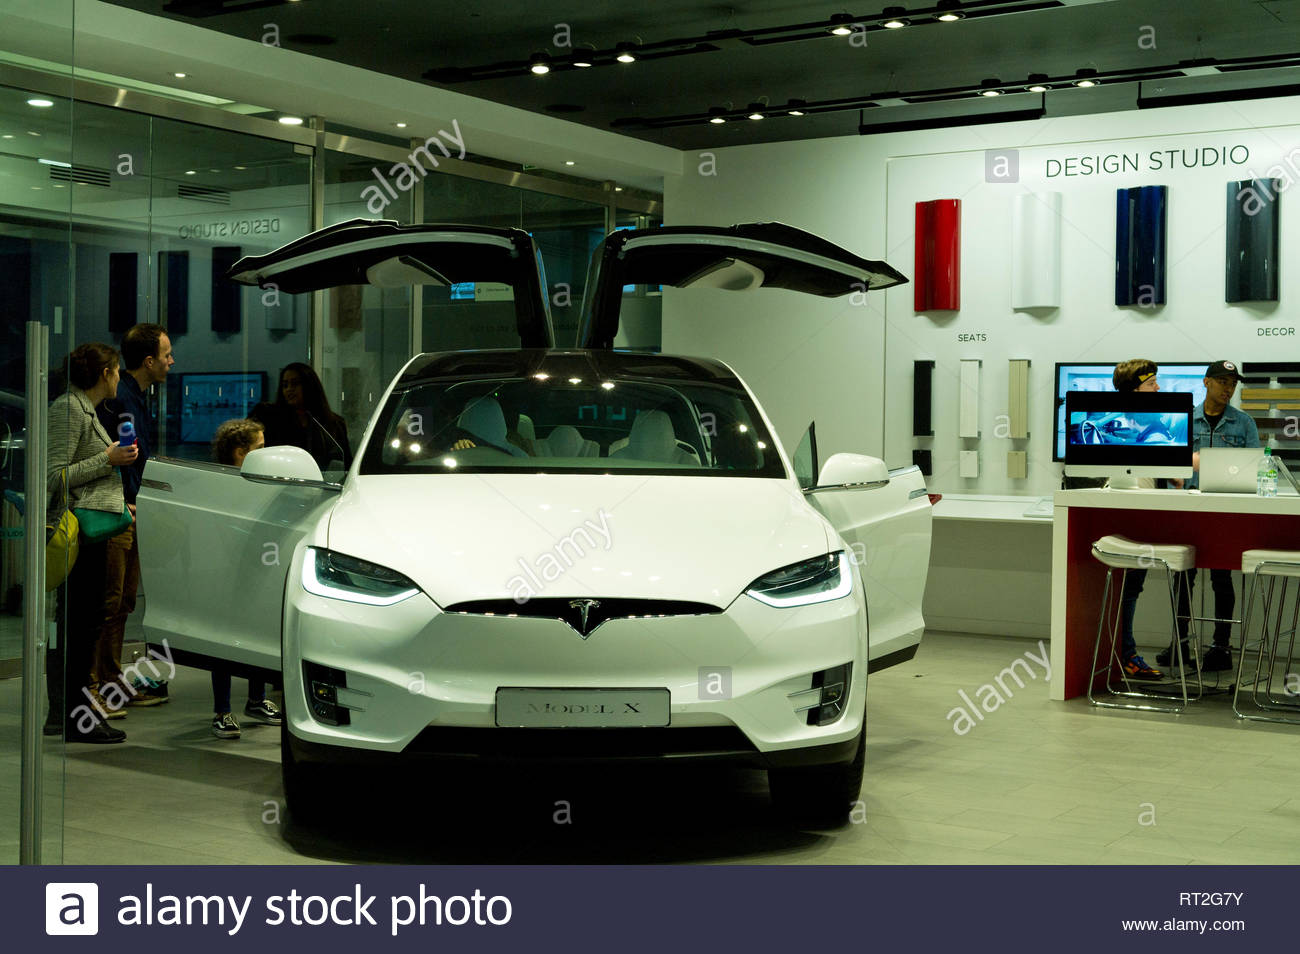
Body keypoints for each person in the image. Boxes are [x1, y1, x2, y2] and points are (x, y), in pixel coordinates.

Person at [47, 343, 138, 743]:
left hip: (91, 531)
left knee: (85, 625)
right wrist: (108, 459)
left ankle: (75, 714)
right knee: (78, 626)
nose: (119, 377)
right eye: (117, 370)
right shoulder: (69, 409)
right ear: (106, 373)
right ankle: (72, 716)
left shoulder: (85, 409)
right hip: (75, 534)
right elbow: (52, 477)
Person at [1158, 359, 1261, 672]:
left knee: (1222, 576)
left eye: (1232, 384)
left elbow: (1255, 470)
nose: (1228, 388)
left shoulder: (1244, 424)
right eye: (1222, 382)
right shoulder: (1184, 421)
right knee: (1183, 576)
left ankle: (1220, 646)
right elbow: (1166, 463)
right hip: (1187, 509)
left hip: (1226, 511)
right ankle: (1181, 643)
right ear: (1206, 382)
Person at [94, 323, 173, 713]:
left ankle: (110, 681)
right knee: (111, 601)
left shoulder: (135, 396)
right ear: (148, 361)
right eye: (166, 355)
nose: (171, 362)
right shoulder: (122, 399)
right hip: (120, 511)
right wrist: (127, 500)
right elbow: (118, 458)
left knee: (124, 601)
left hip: (133, 508)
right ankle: (97, 684)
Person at [208, 418, 283, 739]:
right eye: (260, 448)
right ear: (240, 453)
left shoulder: (260, 484)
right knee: (223, 640)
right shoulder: (222, 486)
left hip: (257, 567)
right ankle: (222, 711)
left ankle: (256, 699)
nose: (265, 454)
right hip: (226, 572)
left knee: (257, 632)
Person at [1106, 359, 1171, 681]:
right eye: (1152, 384)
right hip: (1126, 514)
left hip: (1135, 510)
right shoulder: (1131, 423)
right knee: (1128, 588)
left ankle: (1119, 654)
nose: (1158, 388)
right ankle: (1125, 656)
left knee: (1129, 588)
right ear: (1135, 390)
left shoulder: (1132, 420)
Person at [250, 362, 351, 470]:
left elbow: (346, 463)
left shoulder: (335, 423)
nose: (289, 389)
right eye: (285, 385)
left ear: (310, 386)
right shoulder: (267, 415)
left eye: (295, 384)